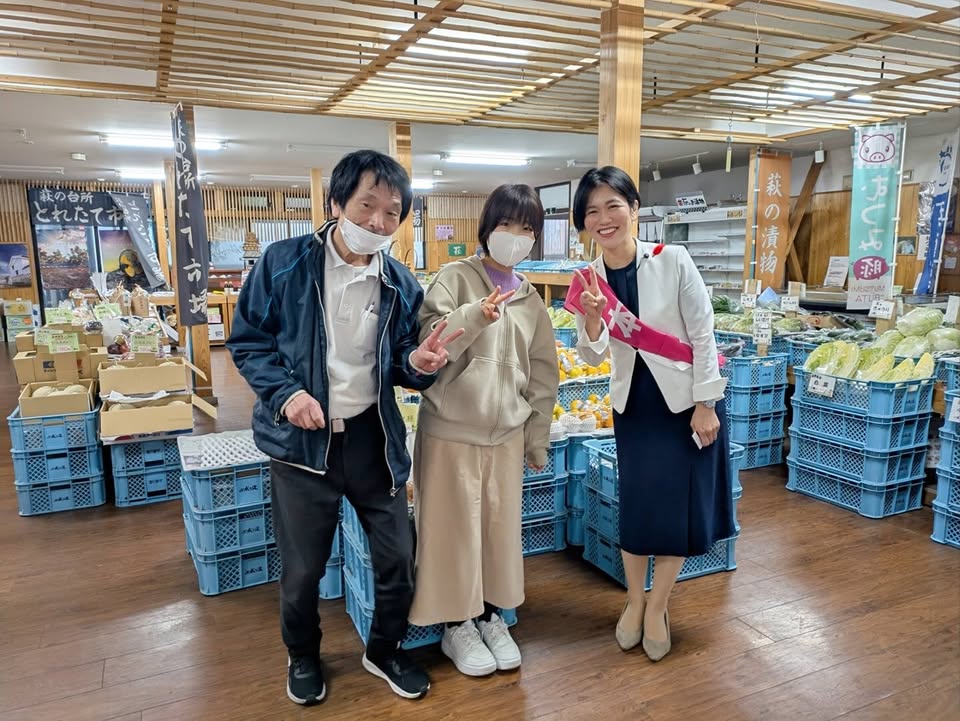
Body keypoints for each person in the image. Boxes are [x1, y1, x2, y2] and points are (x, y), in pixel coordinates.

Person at [227, 150, 463, 706]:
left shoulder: (400, 283)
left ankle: (384, 649)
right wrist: (287, 395)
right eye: (366, 206)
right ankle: (303, 654)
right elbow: (249, 342)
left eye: (392, 213)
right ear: (335, 203)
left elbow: (402, 359)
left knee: (397, 556)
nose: (378, 222)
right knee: (304, 568)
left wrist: (419, 364)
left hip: (371, 439)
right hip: (302, 444)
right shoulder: (283, 264)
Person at [571, 166, 735, 662]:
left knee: (675, 508)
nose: (604, 218)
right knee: (638, 505)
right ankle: (634, 600)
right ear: (584, 222)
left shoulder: (673, 260)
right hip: (634, 407)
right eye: (592, 211)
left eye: (613, 206)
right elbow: (591, 356)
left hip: (684, 405)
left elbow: (702, 334)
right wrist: (593, 319)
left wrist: (706, 403)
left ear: (634, 209)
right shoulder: (588, 280)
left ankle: (659, 606)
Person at [409, 184, 559, 676]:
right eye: (506, 224)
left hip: (507, 435)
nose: (515, 236)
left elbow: (543, 376)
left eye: (527, 228)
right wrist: (475, 315)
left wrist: (536, 438)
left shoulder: (532, 300)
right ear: (487, 227)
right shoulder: (454, 278)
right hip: (450, 430)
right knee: (451, 531)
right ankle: (457, 625)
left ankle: (492, 615)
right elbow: (430, 343)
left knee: (498, 531)